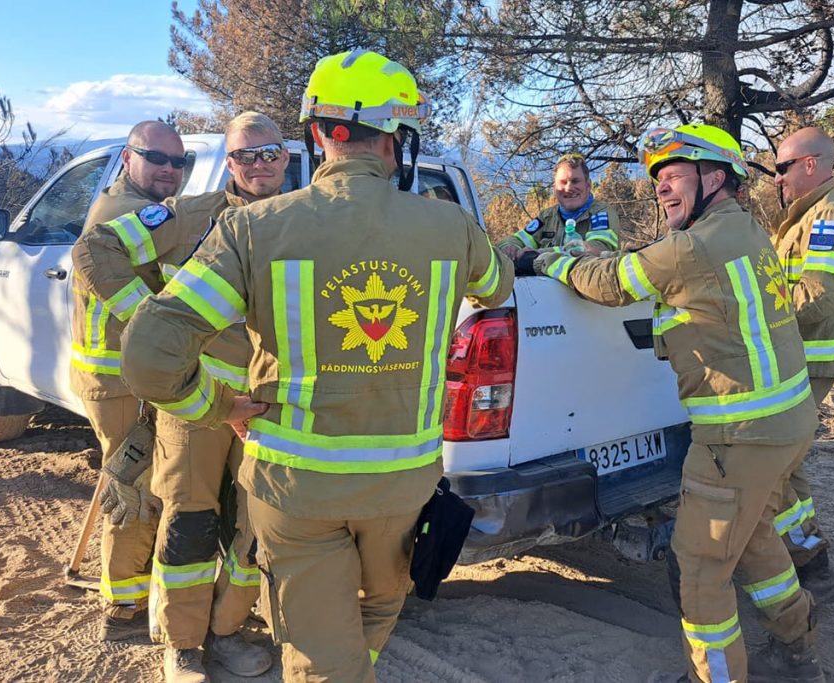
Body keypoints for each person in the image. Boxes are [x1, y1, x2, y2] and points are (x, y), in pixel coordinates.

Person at [119, 48, 514, 681]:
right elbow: (496, 286)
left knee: (320, 653)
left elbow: (147, 355)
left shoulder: (254, 230)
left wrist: (216, 407)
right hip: (403, 487)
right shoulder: (454, 227)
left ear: (321, 133)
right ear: (398, 138)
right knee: (380, 607)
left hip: (296, 491)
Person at [534, 124, 825, 683]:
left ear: (716, 178)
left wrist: (552, 264)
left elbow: (613, 280)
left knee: (700, 568)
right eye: (659, 181)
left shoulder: (693, 246)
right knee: (756, 537)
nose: (663, 189)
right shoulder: (745, 231)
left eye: (674, 176)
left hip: (736, 437)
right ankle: (798, 647)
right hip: (786, 425)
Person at [74, 111, 290, 681]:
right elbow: (95, 250)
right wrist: (154, 328)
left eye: (269, 153)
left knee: (253, 525)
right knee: (189, 521)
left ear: (287, 157)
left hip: (271, 407)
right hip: (198, 402)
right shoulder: (190, 216)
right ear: (229, 162)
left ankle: (229, 629)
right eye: (244, 156)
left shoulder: (308, 220)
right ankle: (184, 644)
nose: (258, 165)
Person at [68, 120, 185, 642]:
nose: (168, 169)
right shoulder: (128, 215)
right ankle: (123, 610)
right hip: (120, 383)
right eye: (156, 157)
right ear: (126, 157)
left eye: (178, 162)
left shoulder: (135, 208)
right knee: (135, 493)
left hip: (125, 378)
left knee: (132, 483)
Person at [771, 127, 834, 604]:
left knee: (774, 465)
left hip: (809, 360)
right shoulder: (804, 218)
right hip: (796, 359)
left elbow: (818, 297)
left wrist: (758, 309)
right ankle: (808, 560)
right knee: (784, 466)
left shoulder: (827, 219)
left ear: (810, 164)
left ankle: (812, 565)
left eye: (783, 167)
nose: (777, 177)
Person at [497, 152, 622, 262]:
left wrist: (537, 255)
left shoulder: (601, 213)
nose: (568, 188)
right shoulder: (547, 217)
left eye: (575, 181)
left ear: (588, 185)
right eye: (562, 182)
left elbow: (596, 249)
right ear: (554, 188)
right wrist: (511, 248)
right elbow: (518, 239)